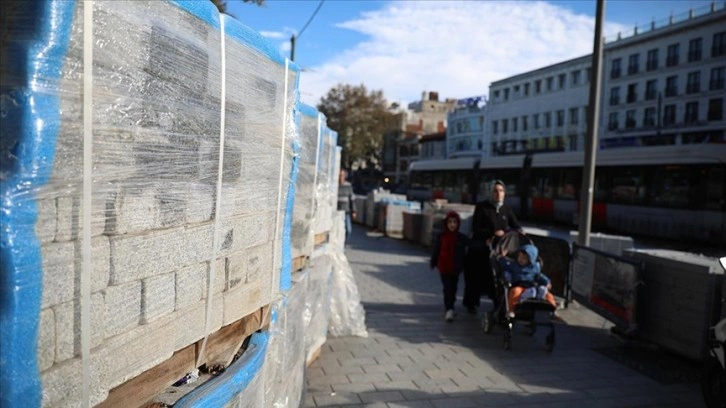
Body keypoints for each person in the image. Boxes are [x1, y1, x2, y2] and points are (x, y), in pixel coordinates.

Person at [463, 180, 522, 314]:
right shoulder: (482, 207)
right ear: (491, 193)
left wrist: (519, 232)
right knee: (475, 276)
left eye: (501, 191)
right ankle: (471, 303)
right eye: (495, 191)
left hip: (498, 250)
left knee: (497, 278)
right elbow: (476, 228)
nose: (498, 194)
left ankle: (499, 304)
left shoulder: (506, 209)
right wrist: (491, 233)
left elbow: (515, 225)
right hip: (481, 249)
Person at [497, 244, 557, 317]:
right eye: (520, 257)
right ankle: (511, 310)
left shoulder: (535, 267)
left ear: (530, 260)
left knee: (548, 295)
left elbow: (539, 276)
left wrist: (547, 282)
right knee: (514, 292)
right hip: (519, 285)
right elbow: (505, 265)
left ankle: (552, 310)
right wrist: (502, 257)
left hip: (531, 286)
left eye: (524, 258)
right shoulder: (514, 265)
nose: (521, 259)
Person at [430, 211, 469, 322]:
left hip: (455, 268)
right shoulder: (442, 236)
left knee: (453, 288)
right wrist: (433, 262)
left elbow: (471, 244)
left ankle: (451, 306)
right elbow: (436, 250)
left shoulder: (460, 237)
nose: (452, 225)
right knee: (447, 288)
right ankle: (449, 308)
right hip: (444, 267)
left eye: (455, 222)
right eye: (450, 222)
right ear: (446, 224)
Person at [337, 169, 356, 239]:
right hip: (336, 211)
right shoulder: (335, 185)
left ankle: (343, 242)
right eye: (339, 176)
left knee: (348, 230)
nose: (340, 177)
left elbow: (352, 199)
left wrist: (354, 211)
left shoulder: (348, 186)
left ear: (344, 176)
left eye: (342, 176)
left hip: (346, 211)